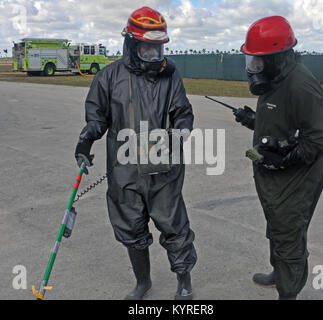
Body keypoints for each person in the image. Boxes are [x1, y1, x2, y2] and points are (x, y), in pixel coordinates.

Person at [74, 6, 197, 300]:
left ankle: (184, 281)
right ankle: (144, 282)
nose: (154, 55)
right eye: (147, 48)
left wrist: (178, 136)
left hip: (163, 167)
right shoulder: (109, 76)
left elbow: (183, 112)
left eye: (158, 49)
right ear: (131, 44)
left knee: (174, 226)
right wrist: (84, 143)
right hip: (124, 169)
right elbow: (97, 118)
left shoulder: (170, 75)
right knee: (130, 225)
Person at [235, 16, 323, 300]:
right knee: (277, 225)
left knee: (289, 233)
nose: (253, 68)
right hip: (275, 178)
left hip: (295, 179)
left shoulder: (300, 85)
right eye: (251, 61)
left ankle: (288, 292)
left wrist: (283, 159)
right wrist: (252, 120)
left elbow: (319, 139)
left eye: (258, 61)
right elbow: (280, 122)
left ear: (278, 58)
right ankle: (279, 273)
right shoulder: (275, 80)